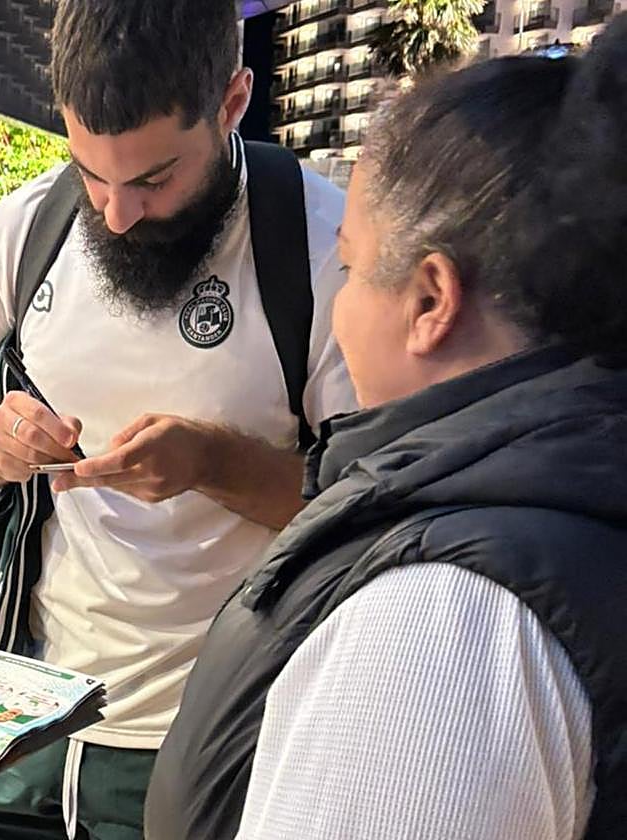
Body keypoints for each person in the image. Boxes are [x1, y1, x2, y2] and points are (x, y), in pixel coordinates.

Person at [146, 18, 627, 839]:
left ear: (430, 302)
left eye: (350, 263)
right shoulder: (542, 509)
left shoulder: (449, 620)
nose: (340, 301)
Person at [0, 1, 355, 836]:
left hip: (214, 737)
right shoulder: (23, 229)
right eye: (91, 173)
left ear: (232, 103)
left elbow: (373, 515)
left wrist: (215, 465)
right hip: (23, 718)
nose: (115, 213)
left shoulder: (324, 246)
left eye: (152, 179)